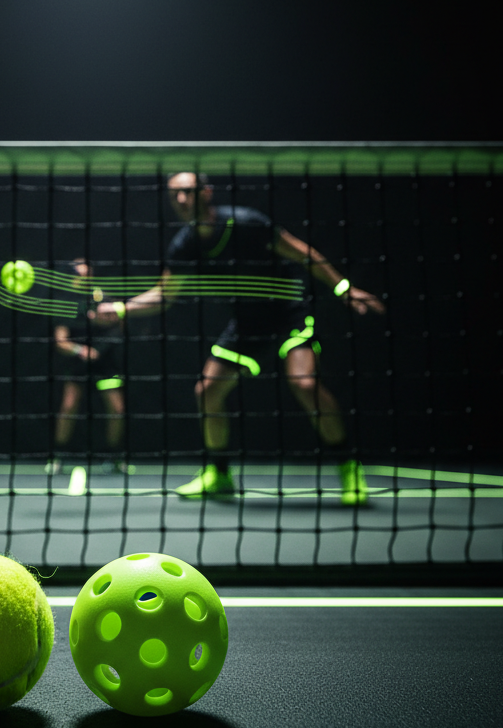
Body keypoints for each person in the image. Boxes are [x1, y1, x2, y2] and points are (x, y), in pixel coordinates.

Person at [92, 172, 385, 502]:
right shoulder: (186, 244)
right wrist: (120, 309)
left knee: (304, 384)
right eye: (174, 195)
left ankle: (348, 468)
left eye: (187, 192)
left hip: (288, 314)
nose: (181, 201)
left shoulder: (246, 223)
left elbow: (304, 253)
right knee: (207, 391)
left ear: (206, 192)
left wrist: (343, 289)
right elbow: (164, 294)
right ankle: (219, 475)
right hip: (248, 325)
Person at [47, 259, 133, 476]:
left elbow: (120, 321)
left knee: (117, 409)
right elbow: (60, 341)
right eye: (79, 268)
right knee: (69, 406)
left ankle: (114, 457)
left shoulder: (103, 298)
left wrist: (101, 342)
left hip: (106, 363)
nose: (84, 271)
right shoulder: (65, 303)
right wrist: (82, 351)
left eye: (87, 268)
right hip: (79, 364)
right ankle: (58, 456)